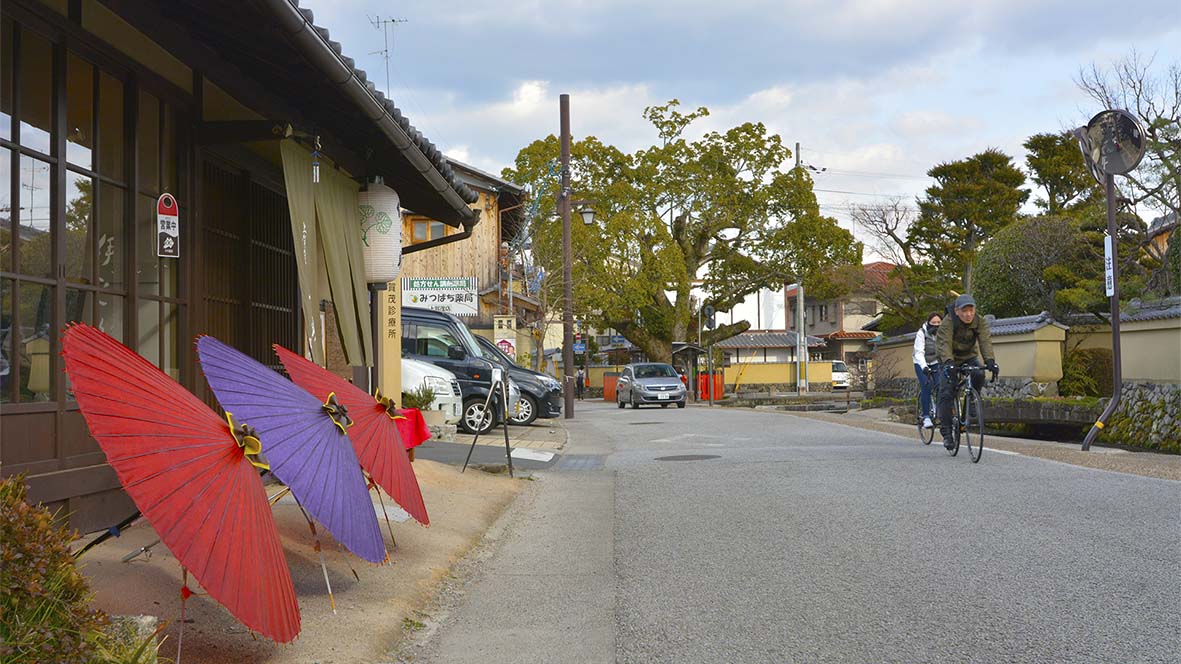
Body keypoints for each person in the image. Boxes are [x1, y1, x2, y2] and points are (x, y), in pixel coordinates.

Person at [935, 294, 999, 449]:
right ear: (957, 311)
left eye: (971, 310)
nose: (969, 314)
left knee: (978, 373)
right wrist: (949, 363)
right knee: (946, 393)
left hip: (968, 356)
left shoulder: (979, 321)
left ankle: (971, 400)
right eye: (965, 311)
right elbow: (944, 344)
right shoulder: (948, 322)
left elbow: (985, 340)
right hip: (948, 358)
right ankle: (947, 432)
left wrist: (990, 361)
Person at [912, 312, 942, 429]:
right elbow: (919, 352)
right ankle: (926, 417)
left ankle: (940, 412)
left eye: (939, 323)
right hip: (921, 361)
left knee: (941, 384)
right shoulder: (921, 333)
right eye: (933, 323)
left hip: (936, 361)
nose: (936, 325)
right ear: (928, 323)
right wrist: (924, 367)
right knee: (927, 385)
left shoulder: (944, 333)